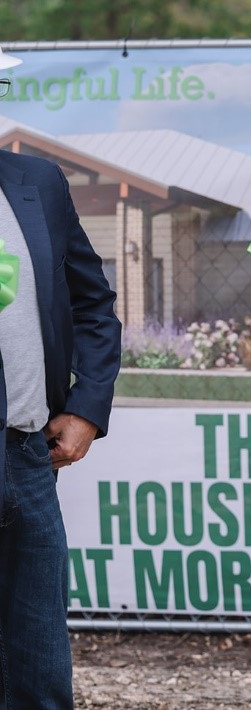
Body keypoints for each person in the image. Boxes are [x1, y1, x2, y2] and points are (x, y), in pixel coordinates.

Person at [0, 45, 122, 709]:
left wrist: (86, 407)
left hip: (27, 457)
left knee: (38, 668)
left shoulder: (36, 183)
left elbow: (92, 303)